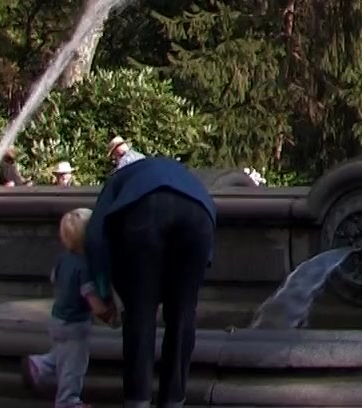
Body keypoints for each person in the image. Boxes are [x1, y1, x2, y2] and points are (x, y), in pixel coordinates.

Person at [87, 141, 218, 408]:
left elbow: (94, 238)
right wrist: (199, 265)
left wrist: (103, 292)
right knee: (183, 314)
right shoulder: (181, 173)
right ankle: (174, 399)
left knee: (140, 313)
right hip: (199, 216)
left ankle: (138, 399)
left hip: (144, 212)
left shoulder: (120, 179)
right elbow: (208, 211)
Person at [23, 208, 113, 408]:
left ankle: (39, 364)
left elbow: (54, 278)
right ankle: (68, 401)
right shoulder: (85, 266)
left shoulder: (63, 258)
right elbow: (92, 299)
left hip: (57, 318)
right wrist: (107, 314)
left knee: (63, 354)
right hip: (76, 323)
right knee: (74, 366)